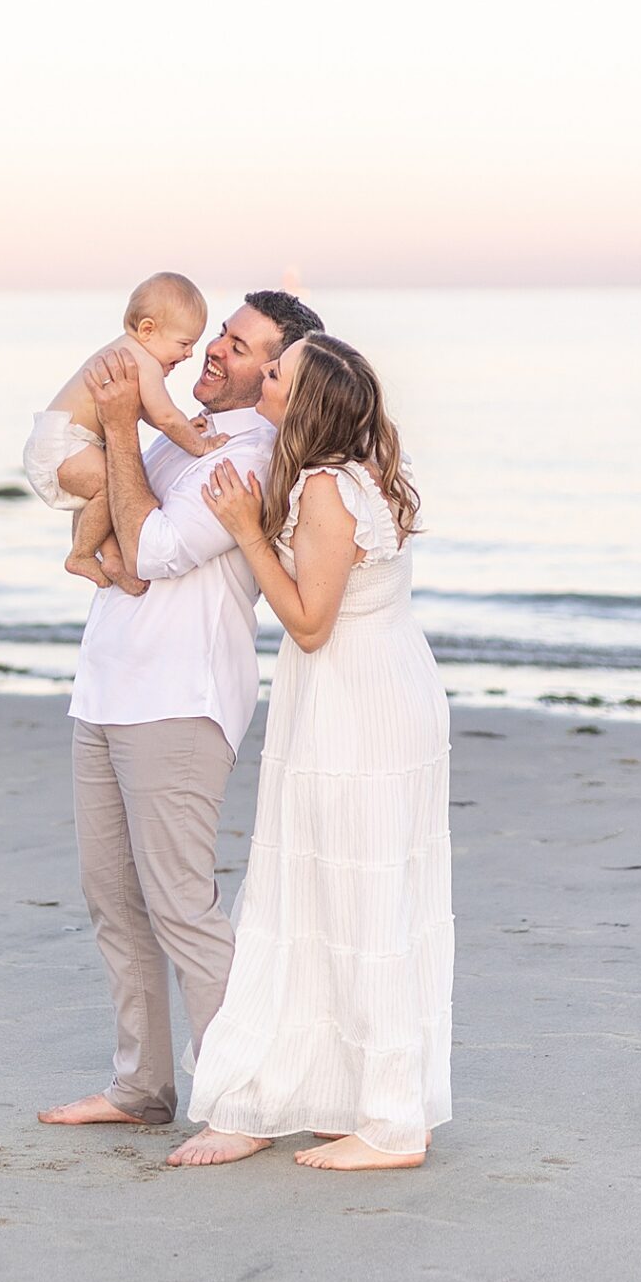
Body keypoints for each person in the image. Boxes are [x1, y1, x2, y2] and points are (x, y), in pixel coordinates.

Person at [37, 289, 327, 1132]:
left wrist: (125, 426)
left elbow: (156, 548)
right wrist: (112, 431)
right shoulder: (180, 438)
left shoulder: (257, 453)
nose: (214, 353)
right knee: (113, 899)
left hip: (179, 699)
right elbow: (92, 503)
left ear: (275, 373)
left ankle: (243, 1096)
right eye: (221, 337)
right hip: (107, 688)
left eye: (238, 348)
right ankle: (140, 1087)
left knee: (180, 907)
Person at [168, 333, 452, 1171]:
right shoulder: (352, 476)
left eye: (278, 374)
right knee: (337, 892)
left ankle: (391, 1124)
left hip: (354, 703)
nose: (264, 376)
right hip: (372, 689)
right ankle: (347, 1095)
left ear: (306, 401)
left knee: (353, 897)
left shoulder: (328, 490)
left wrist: (244, 529)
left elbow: (308, 622)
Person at [22, 272, 220, 592]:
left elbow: (150, 411)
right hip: (64, 444)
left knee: (102, 494)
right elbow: (166, 416)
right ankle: (81, 554)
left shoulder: (128, 352)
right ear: (148, 330)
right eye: (184, 344)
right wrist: (199, 445)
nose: (189, 354)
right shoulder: (144, 362)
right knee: (110, 485)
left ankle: (112, 560)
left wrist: (185, 425)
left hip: (58, 440)